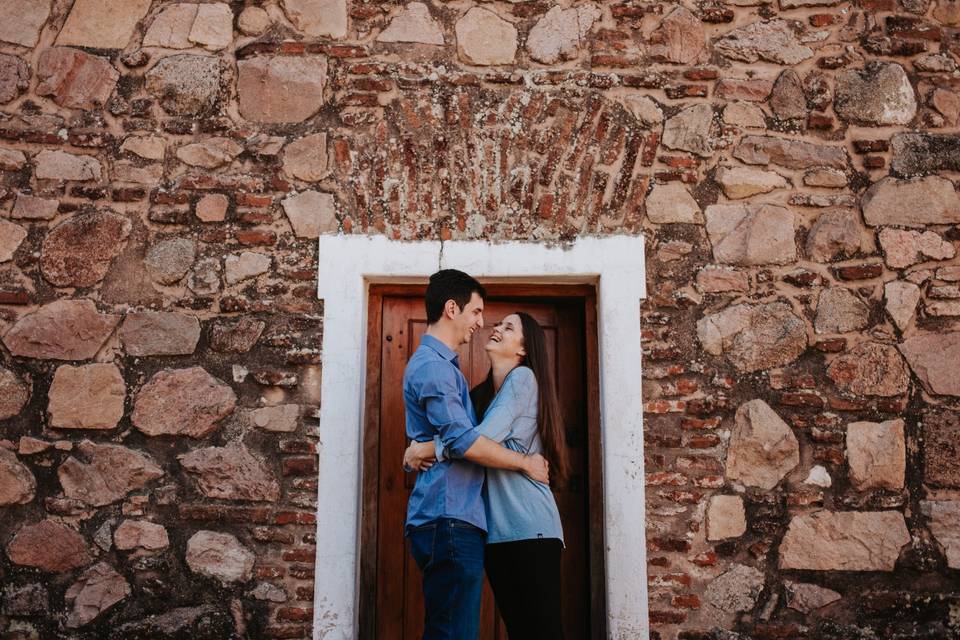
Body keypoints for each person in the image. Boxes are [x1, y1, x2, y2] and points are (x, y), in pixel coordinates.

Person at [403, 269, 550, 640]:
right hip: (449, 516)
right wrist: (524, 462)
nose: (482, 324)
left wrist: (427, 448)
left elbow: (468, 438)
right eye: (477, 312)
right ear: (452, 309)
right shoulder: (436, 368)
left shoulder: (463, 374)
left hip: (466, 519)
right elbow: (468, 442)